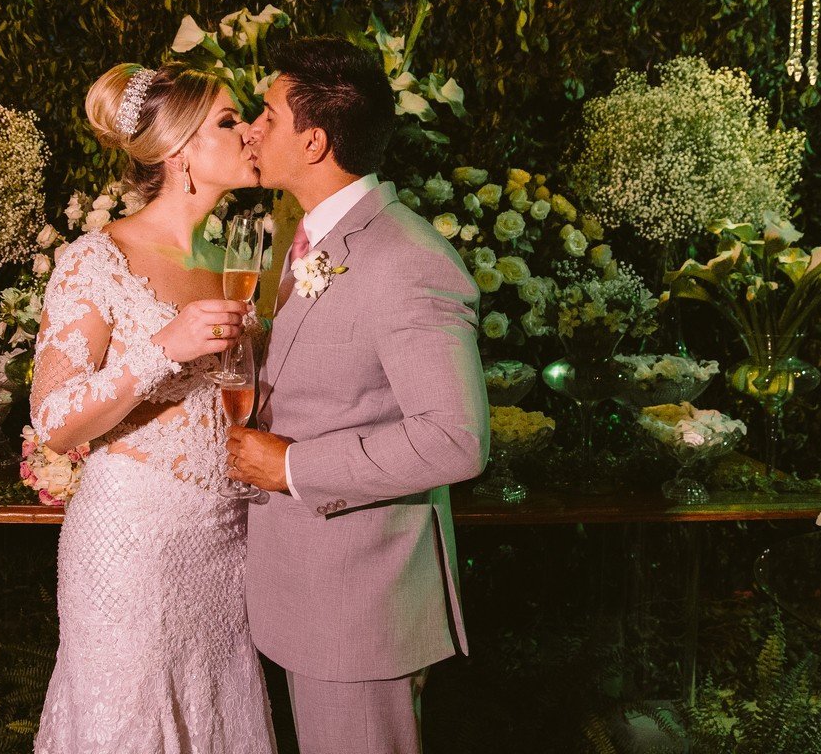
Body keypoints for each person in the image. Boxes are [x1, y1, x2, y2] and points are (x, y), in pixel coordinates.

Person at [228, 37, 490, 754]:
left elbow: (456, 439)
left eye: (267, 116)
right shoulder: (310, 239)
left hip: (360, 606)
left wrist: (291, 466)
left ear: (313, 142)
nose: (251, 129)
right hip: (310, 590)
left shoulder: (406, 258)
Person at [30, 62, 275, 754]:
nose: (250, 131)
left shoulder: (234, 261)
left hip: (227, 539)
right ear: (178, 152)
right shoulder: (98, 258)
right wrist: (164, 347)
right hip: (132, 542)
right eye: (228, 121)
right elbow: (53, 420)